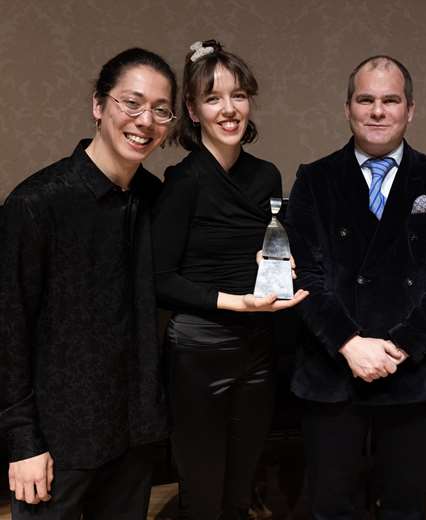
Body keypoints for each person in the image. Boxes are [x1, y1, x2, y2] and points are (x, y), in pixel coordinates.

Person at [285, 55, 426, 519]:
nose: (377, 110)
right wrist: (350, 343)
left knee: (406, 505)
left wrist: (401, 347)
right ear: (347, 108)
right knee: (331, 504)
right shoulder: (315, 178)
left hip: (412, 370)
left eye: (390, 100)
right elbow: (304, 274)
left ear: (410, 110)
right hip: (333, 368)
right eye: (365, 99)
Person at [0, 48, 177, 519]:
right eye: (131, 103)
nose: (146, 121)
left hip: (134, 436)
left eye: (161, 110)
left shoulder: (153, 200)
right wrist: (22, 442)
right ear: (98, 106)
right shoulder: (37, 204)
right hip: (58, 444)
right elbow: (8, 330)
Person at [151, 40, 307, 520]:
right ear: (193, 112)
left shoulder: (266, 176)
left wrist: (278, 265)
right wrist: (234, 302)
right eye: (213, 98)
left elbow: (262, 256)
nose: (229, 108)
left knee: (242, 487)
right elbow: (161, 280)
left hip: (257, 349)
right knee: (202, 493)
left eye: (238, 95)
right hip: (198, 353)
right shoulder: (183, 181)